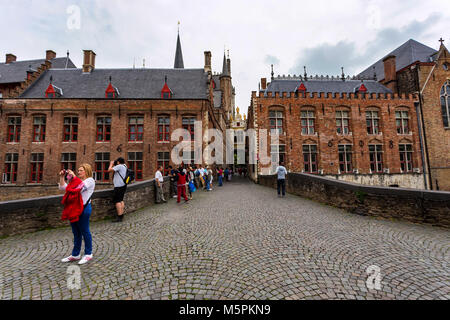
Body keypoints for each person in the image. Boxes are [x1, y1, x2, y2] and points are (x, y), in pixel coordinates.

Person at [59, 164, 96, 265]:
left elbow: (80, 188)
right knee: (76, 232)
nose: (79, 172)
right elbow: (64, 188)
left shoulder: (90, 181)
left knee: (85, 230)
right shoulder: (76, 181)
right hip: (74, 209)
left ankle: (88, 253)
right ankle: (75, 254)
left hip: (84, 209)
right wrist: (62, 177)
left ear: (86, 171)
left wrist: (74, 177)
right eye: (78, 170)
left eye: (81, 170)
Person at [108, 157, 127, 223]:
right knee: (121, 200)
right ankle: (121, 214)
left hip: (118, 186)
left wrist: (111, 164)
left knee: (117, 201)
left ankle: (119, 217)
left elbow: (109, 170)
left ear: (118, 162)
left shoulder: (119, 166)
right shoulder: (125, 166)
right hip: (123, 185)